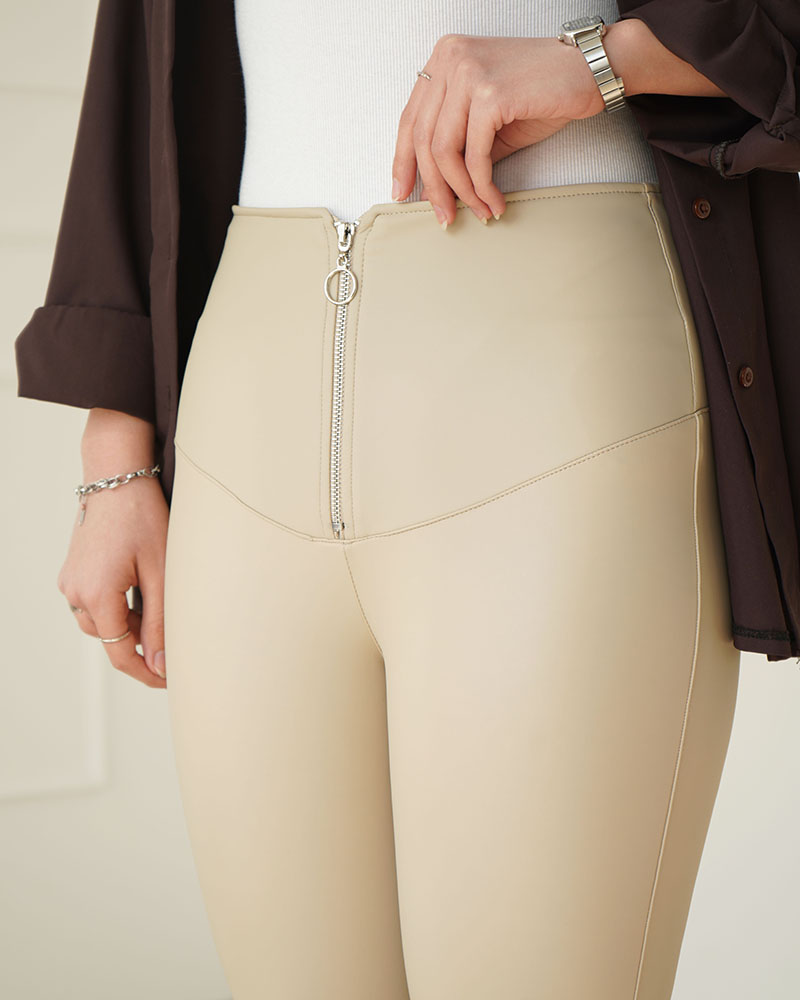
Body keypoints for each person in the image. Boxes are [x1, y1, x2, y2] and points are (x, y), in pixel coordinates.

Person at [13, 2, 799, 998]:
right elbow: (138, 55)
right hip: (243, 391)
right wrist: (114, 450)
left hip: (558, 377)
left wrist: (605, 62)